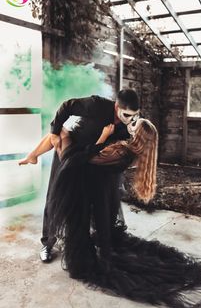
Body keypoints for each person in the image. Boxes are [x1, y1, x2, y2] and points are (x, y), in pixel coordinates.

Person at [47, 118, 201, 308]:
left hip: (84, 185)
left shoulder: (121, 150)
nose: (131, 124)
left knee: (84, 243)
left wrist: (82, 139)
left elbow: (81, 161)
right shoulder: (130, 152)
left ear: (138, 135)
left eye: (135, 124)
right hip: (96, 188)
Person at [19, 89, 140, 262]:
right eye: (127, 114)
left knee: (102, 202)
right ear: (116, 106)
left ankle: (101, 241)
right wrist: (54, 132)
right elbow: (66, 106)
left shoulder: (129, 125)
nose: (130, 119)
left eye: (134, 115)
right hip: (73, 157)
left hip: (96, 163)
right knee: (57, 199)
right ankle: (48, 243)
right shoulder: (96, 105)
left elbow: (124, 148)